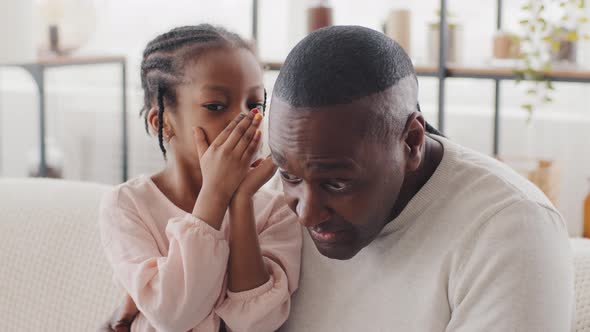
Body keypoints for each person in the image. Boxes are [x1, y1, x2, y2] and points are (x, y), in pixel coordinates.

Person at [269, 26, 573, 331]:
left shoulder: (511, 228)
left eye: (336, 183)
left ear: (412, 141)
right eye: (289, 175)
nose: (306, 215)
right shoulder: (262, 200)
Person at [98, 24, 301, 332]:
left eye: (254, 104)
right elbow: (173, 316)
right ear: (163, 122)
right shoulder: (127, 205)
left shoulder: (275, 209)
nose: (243, 119)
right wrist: (215, 195)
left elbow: (258, 323)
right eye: (216, 106)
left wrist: (241, 201)